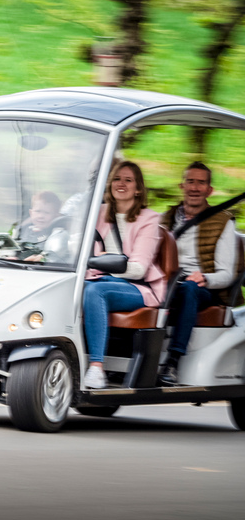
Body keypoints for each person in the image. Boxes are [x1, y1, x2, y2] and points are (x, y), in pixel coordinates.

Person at [82, 161, 166, 389]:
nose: (121, 184)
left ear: (138, 188)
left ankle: (96, 368)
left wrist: (102, 262)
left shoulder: (150, 219)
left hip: (138, 287)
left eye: (128, 180)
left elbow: (138, 268)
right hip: (99, 278)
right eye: (117, 179)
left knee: (95, 291)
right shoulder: (97, 213)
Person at [157, 162, 238, 385]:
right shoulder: (164, 219)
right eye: (190, 181)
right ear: (181, 186)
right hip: (165, 283)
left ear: (209, 190)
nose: (195, 187)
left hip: (202, 287)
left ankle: (173, 361)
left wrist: (205, 277)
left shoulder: (223, 222)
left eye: (201, 183)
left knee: (189, 289)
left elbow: (227, 274)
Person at [14, 191, 68, 260]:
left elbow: (54, 256)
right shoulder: (24, 231)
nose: (41, 216)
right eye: (37, 211)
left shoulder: (57, 235)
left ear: (56, 216)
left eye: (46, 213)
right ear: (31, 213)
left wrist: (41, 258)